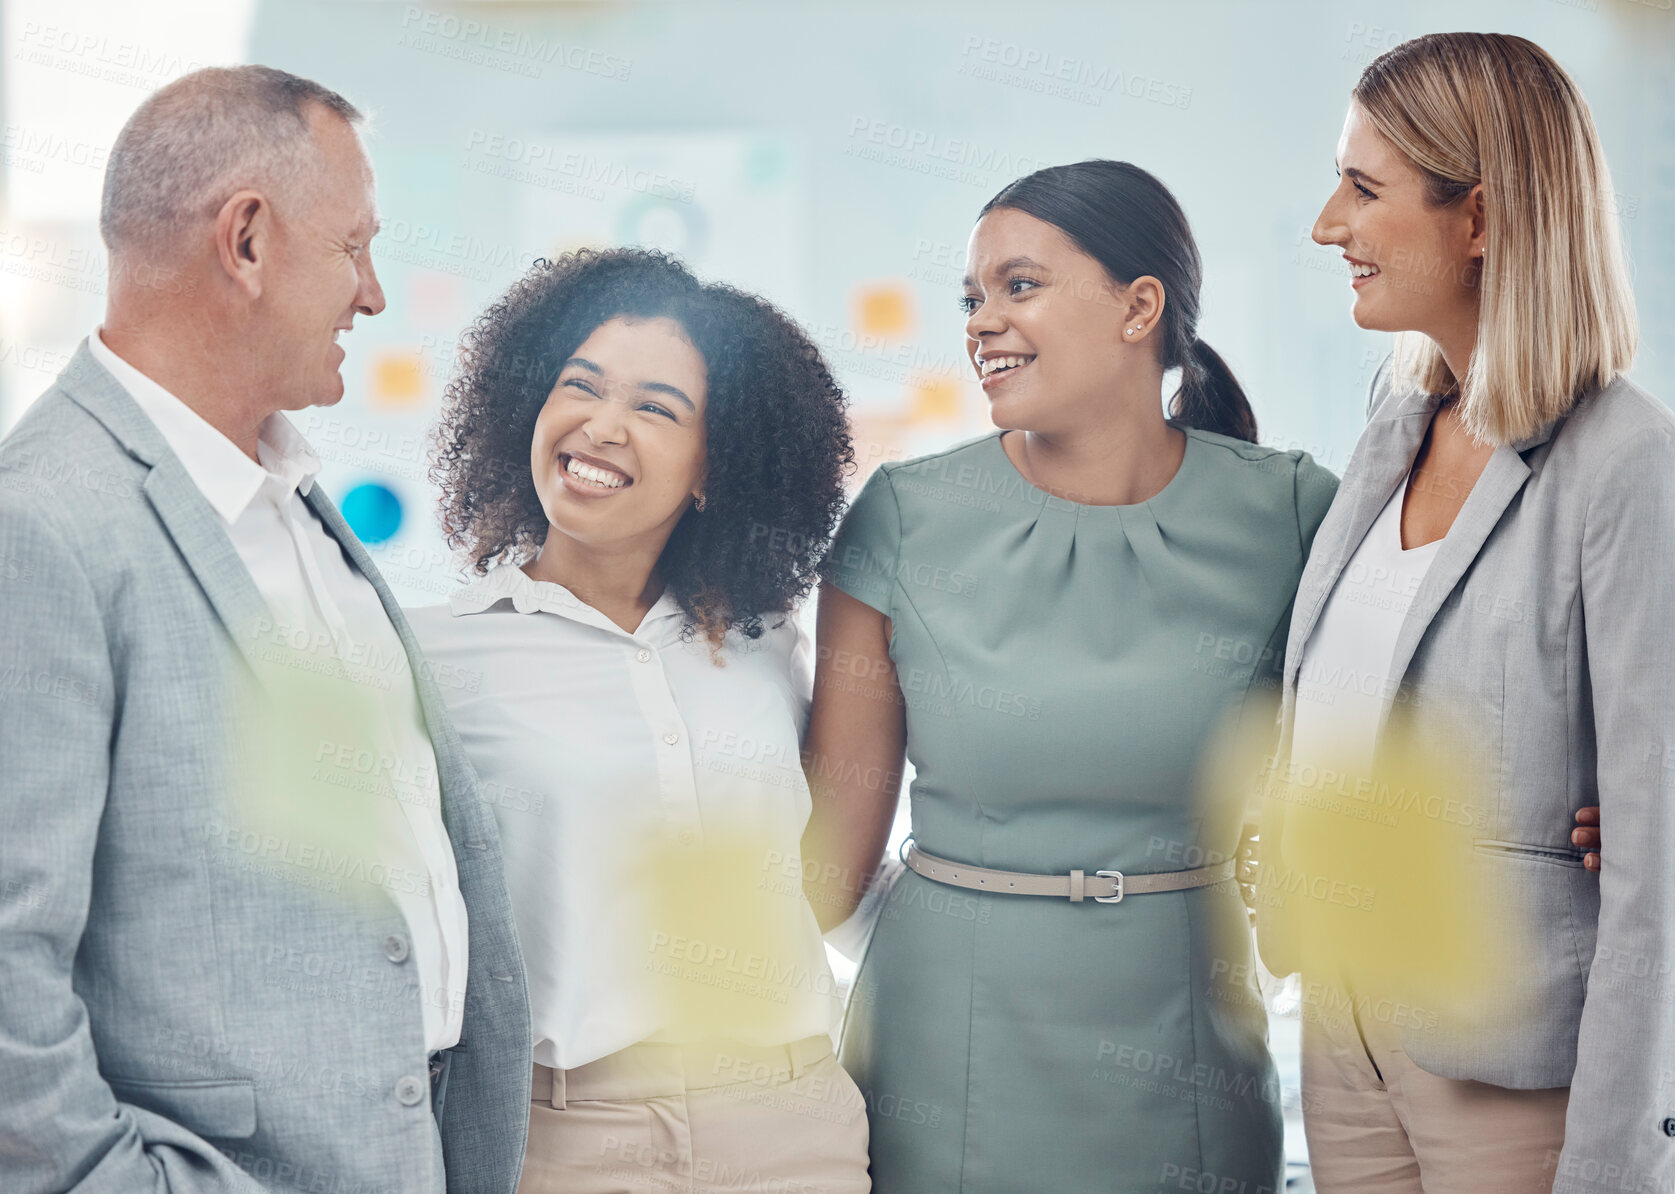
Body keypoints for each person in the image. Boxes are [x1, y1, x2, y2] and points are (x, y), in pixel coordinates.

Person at [0, 67, 529, 1194]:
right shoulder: (40, 525)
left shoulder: (286, 496)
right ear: (245, 240)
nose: (373, 293)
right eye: (352, 247)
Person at [801, 159, 1339, 1191]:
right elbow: (827, 864)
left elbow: (1410, 720)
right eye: (971, 298)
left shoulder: (1293, 515)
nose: (980, 323)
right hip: (940, 1051)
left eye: (1019, 285)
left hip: (1192, 1053)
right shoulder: (906, 517)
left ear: (1140, 307)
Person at [1260, 32, 1672, 1191]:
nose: (1327, 225)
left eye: (1363, 188)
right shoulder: (1392, 435)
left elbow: (1657, 863)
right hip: (1343, 1023)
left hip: (1504, 1056)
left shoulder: (1626, 462)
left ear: (1479, 219)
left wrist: (1612, 1160)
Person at [410, 247, 871, 1194]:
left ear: (716, 469)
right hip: (563, 1139)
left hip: (791, 1122)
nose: (601, 425)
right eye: (579, 388)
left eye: (656, 408)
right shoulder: (429, 656)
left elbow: (829, 875)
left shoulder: (765, 646)